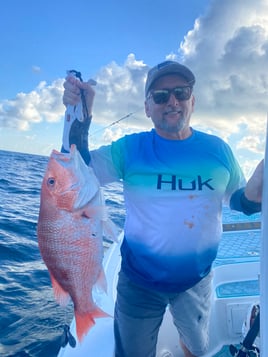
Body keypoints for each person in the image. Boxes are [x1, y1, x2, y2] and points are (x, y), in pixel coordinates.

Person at [61, 61, 263, 357]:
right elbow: (74, 174)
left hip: (196, 281)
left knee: (196, 348)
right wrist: (78, 117)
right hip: (138, 283)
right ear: (147, 107)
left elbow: (238, 200)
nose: (172, 101)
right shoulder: (130, 149)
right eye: (160, 96)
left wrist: (256, 192)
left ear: (192, 101)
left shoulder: (218, 150)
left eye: (181, 93)